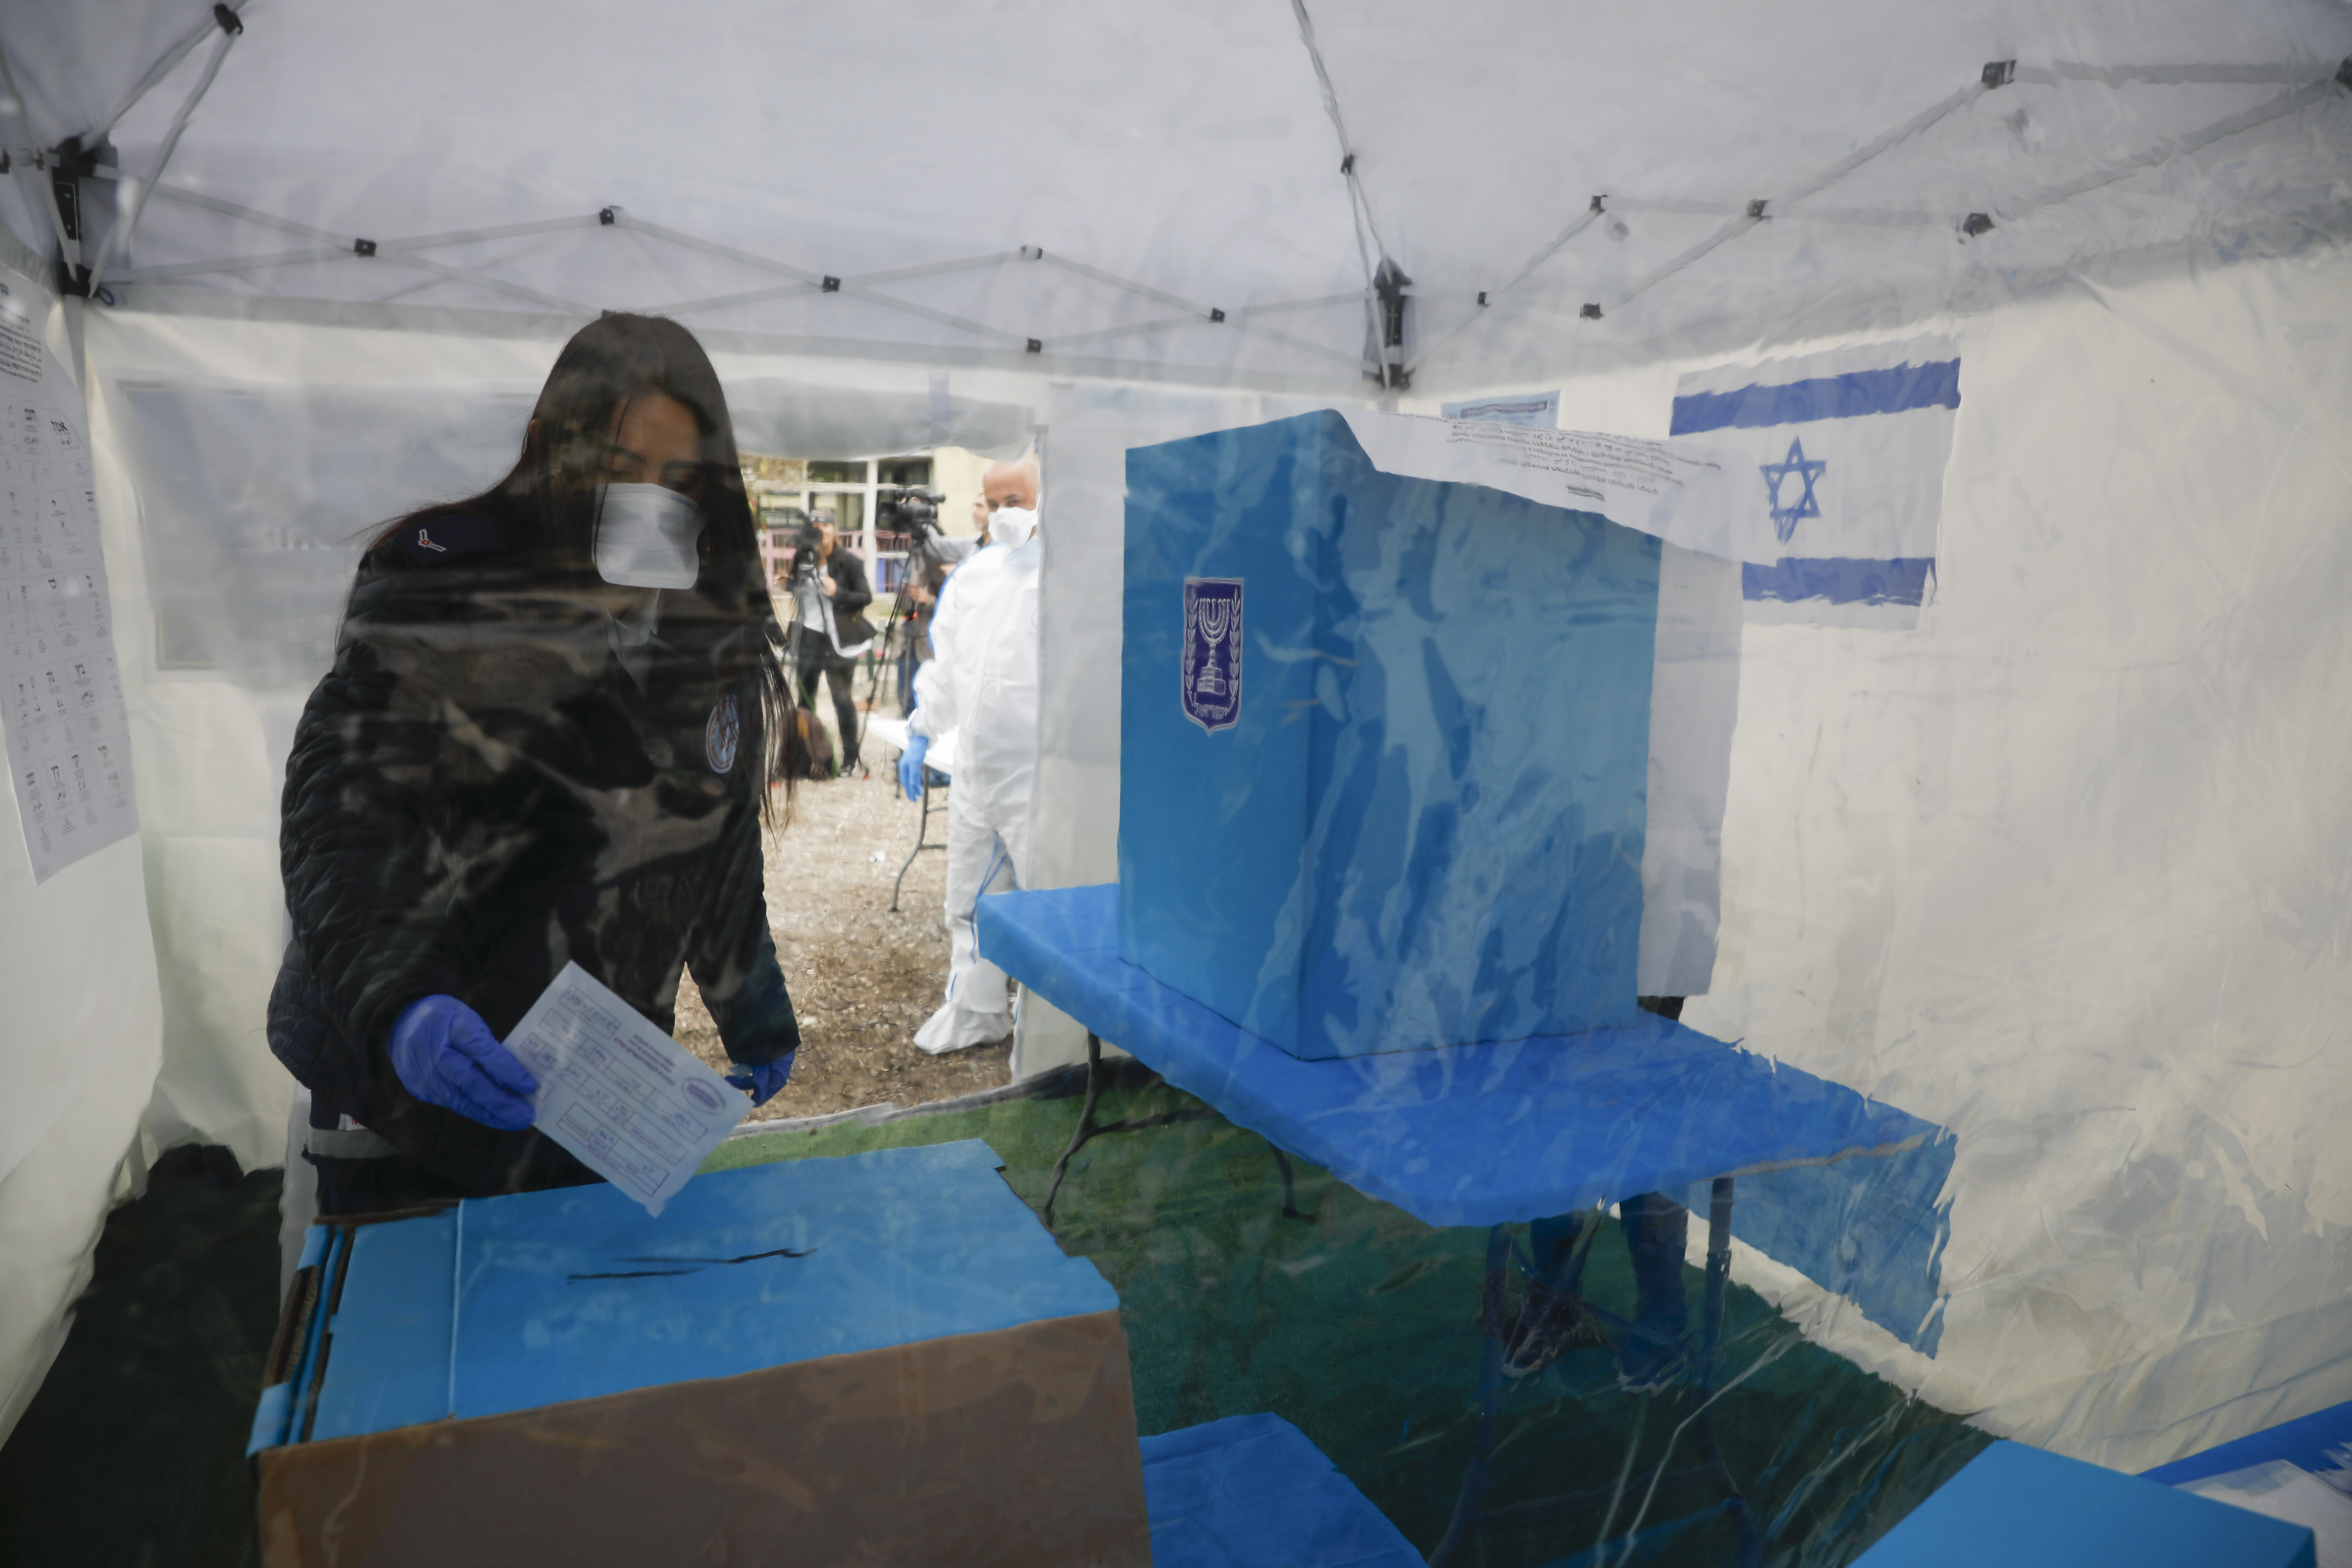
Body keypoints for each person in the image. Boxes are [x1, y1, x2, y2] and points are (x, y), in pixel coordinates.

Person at [267, 313, 802, 1217]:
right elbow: (349, 807)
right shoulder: (444, 580)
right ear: (547, 449)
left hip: (587, 1097)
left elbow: (712, 842)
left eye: (681, 480)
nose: (651, 502)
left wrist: (753, 1012)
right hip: (405, 1099)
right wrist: (402, 1004)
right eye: (619, 468)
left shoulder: (700, 627)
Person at [896, 454, 1041, 1054]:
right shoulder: (976, 576)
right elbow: (949, 662)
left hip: (1043, 771)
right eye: (996, 502)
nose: (1007, 514)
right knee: (972, 897)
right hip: (978, 766)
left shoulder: (1069, 575)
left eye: (1018, 500)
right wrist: (924, 729)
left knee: (1047, 898)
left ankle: (1052, 1030)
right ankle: (977, 1011)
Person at [788, 514, 875, 775]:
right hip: (810, 636)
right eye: (815, 527)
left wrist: (838, 592)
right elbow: (800, 588)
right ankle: (806, 759)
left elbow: (865, 597)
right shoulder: (803, 558)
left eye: (825, 526)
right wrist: (790, 583)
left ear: (835, 530)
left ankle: (850, 759)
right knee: (804, 700)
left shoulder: (848, 561)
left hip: (839, 639)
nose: (820, 531)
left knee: (842, 699)